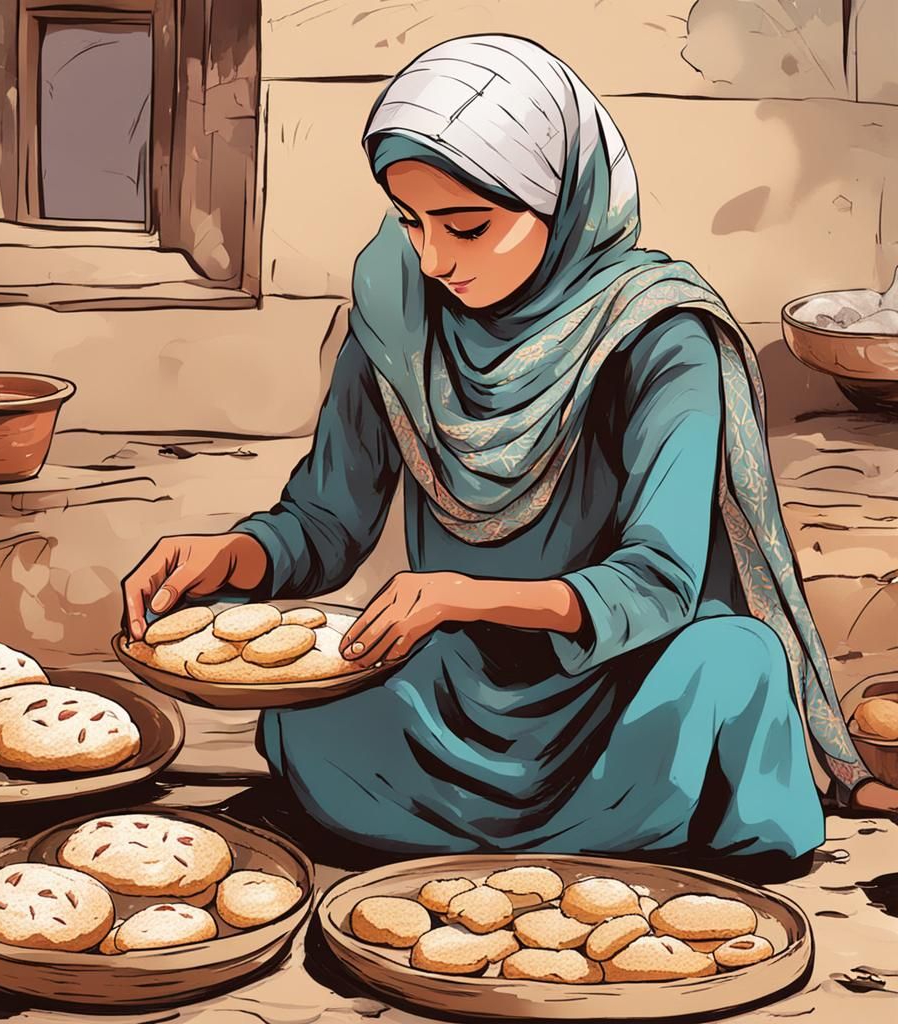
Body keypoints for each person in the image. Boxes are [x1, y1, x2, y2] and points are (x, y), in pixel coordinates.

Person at [123, 35, 896, 863]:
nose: (433, 257)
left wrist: (466, 595)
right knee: (312, 702)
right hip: (451, 688)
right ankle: (594, 839)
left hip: (625, 690)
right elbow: (325, 521)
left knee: (735, 662)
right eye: (409, 221)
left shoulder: (660, 336)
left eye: (466, 224)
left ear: (563, 200)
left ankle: (574, 824)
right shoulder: (396, 318)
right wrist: (234, 555)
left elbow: (661, 581)